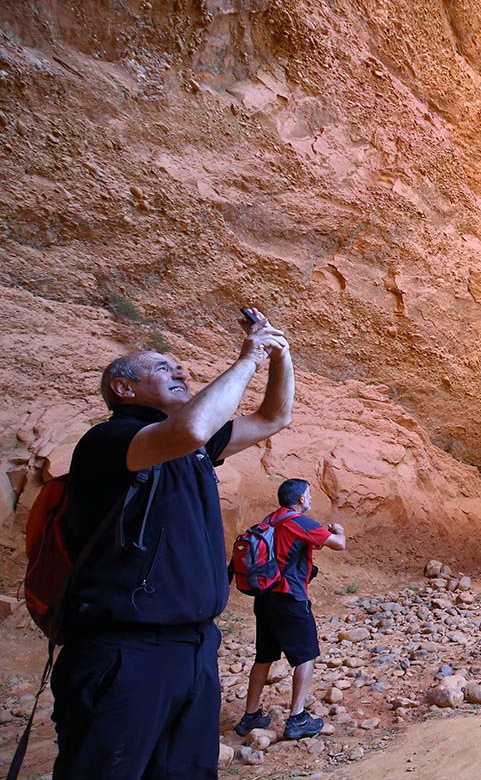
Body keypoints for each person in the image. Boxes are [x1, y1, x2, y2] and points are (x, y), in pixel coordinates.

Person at [52, 308, 293, 779]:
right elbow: (188, 429)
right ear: (125, 389)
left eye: (180, 367)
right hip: (126, 650)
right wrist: (248, 358)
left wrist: (280, 354)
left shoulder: (196, 448)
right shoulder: (109, 440)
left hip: (195, 647)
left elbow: (273, 417)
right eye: (164, 368)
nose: (180, 371)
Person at [235, 478, 347, 740]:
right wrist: (339, 530)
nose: (310, 499)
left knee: (264, 657)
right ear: (299, 500)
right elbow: (338, 544)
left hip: (264, 598)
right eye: (308, 495)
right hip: (289, 598)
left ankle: (250, 716)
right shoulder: (300, 522)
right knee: (306, 656)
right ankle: (297, 719)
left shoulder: (270, 520)